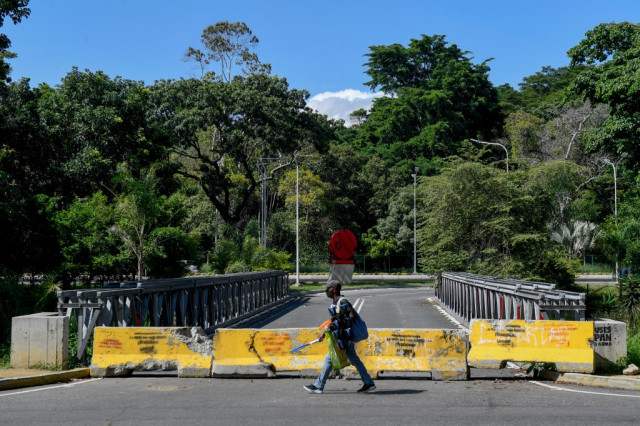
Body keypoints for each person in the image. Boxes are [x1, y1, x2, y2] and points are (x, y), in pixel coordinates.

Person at [303, 281, 376, 394]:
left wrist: (340, 324)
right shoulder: (335, 303)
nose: (327, 291)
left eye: (328, 289)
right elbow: (334, 320)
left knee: (329, 359)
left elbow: (351, 316)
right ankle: (369, 383)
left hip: (344, 338)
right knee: (354, 360)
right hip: (342, 338)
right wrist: (323, 334)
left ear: (335, 289)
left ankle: (318, 386)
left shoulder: (342, 301)